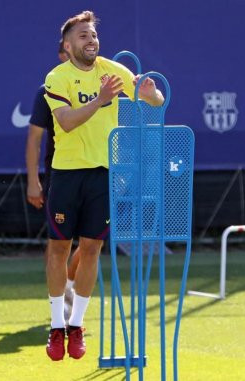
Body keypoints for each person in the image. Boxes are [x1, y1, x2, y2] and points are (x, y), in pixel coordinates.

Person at [43, 10, 164, 361]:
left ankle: (76, 325)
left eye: (93, 35)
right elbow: (65, 122)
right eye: (83, 35)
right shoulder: (57, 77)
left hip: (103, 172)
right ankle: (55, 326)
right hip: (67, 173)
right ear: (67, 45)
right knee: (58, 251)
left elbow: (151, 100)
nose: (91, 40)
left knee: (92, 249)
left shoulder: (113, 71)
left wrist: (150, 94)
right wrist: (100, 100)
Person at [25, 41, 81, 320]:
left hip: (97, 173)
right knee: (59, 243)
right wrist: (33, 180)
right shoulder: (46, 90)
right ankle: (58, 303)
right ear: (61, 54)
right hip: (59, 175)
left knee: (92, 243)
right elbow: (35, 138)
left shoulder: (99, 85)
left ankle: (69, 285)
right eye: (66, 51)